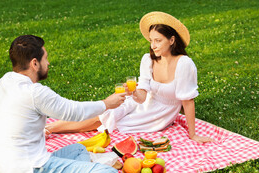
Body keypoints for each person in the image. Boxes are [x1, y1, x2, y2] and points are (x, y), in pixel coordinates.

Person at [0, 35, 134, 173]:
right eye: (46, 58)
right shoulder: (35, 92)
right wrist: (106, 103)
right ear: (34, 63)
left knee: (78, 150)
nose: (49, 63)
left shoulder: (5, 81)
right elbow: (72, 111)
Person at [45, 12, 213, 144]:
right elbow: (141, 98)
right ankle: (49, 129)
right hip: (142, 104)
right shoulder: (148, 59)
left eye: (158, 40)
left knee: (103, 120)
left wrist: (193, 134)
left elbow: (188, 101)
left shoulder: (184, 64)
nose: (153, 45)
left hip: (158, 114)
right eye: (151, 40)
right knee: (105, 113)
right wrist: (132, 92)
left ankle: (49, 129)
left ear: (172, 40)